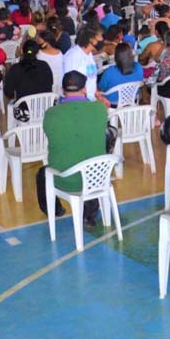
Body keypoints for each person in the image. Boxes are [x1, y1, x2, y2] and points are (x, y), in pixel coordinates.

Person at [36, 71, 110, 227]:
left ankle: (55, 210)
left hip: (67, 179)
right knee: (89, 159)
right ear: (84, 89)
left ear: (63, 90)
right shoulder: (100, 109)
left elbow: (52, 138)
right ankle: (88, 215)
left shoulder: (51, 114)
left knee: (43, 173)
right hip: (97, 177)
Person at [63, 26, 107, 105]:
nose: (102, 40)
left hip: (90, 101)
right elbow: (72, 89)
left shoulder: (88, 54)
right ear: (91, 40)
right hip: (78, 103)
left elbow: (91, 79)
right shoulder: (73, 57)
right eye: (100, 36)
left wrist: (98, 95)